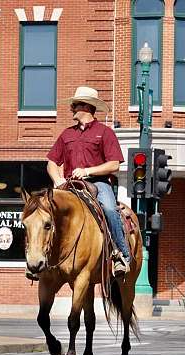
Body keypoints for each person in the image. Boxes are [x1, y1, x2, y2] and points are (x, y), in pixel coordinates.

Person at [46, 86, 130, 277]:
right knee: (46, 211)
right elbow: (51, 162)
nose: (71, 108)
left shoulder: (105, 132)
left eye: (74, 105)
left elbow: (114, 165)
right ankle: (42, 257)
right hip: (68, 185)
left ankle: (121, 255)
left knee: (109, 209)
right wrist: (57, 179)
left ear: (86, 107)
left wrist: (87, 171)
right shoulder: (66, 134)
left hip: (99, 184)